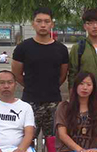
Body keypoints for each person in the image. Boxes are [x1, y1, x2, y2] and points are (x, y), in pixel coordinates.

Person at [11, 7, 69, 139]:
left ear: (52, 24)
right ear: (33, 23)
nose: (43, 25)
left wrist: (50, 86)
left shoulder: (61, 49)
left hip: (54, 102)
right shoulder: (23, 48)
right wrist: (31, 86)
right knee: (27, 140)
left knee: (54, 141)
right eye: (39, 21)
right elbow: (17, 75)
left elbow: (63, 76)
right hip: (30, 101)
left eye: (47, 21)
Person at [55, 72, 97, 152]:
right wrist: (80, 151)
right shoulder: (64, 107)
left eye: (89, 84)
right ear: (75, 86)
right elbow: (62, 134)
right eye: (81, 84)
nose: (85, 88)